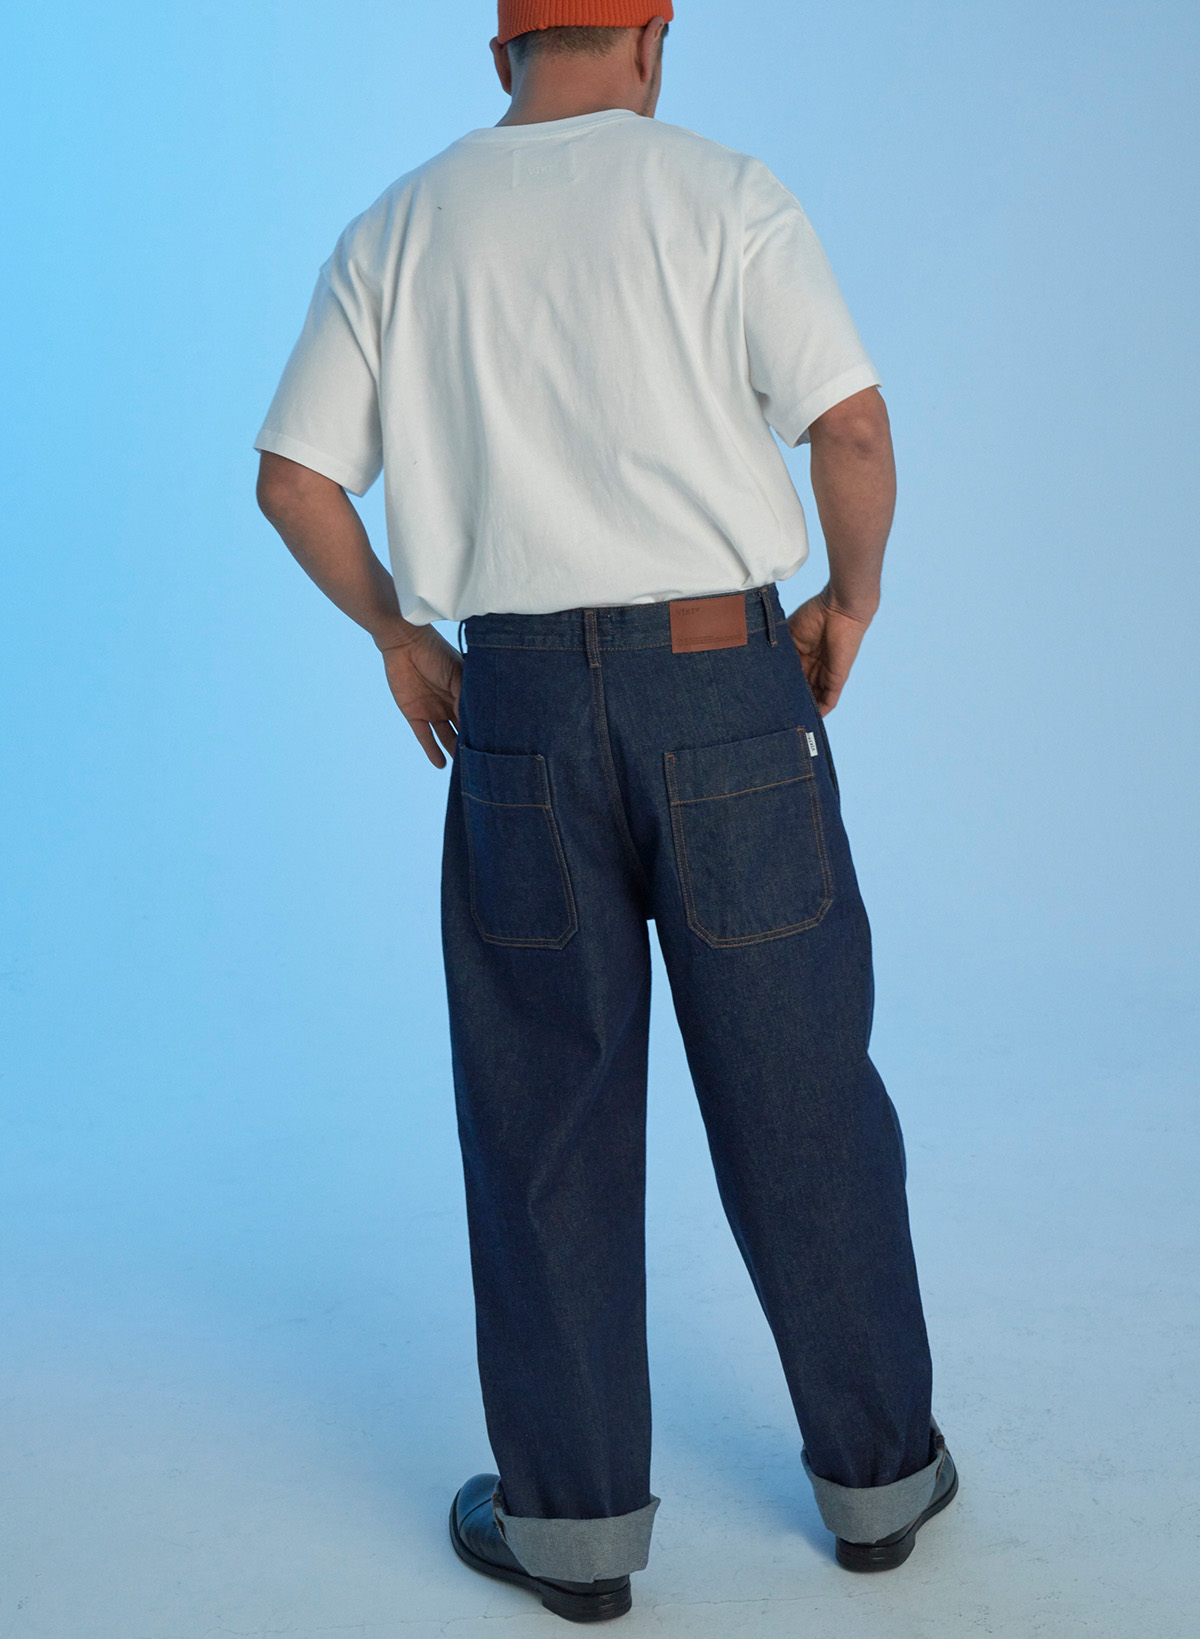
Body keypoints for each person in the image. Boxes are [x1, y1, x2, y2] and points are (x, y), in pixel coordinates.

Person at [253, 1, 958, 1624]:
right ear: (649, 36)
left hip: (516, 716)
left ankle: (573, 1540)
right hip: (725, 693)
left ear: (499, 51)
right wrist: (851, 600)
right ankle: (877, 1490)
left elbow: (293, 476)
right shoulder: (723, 193)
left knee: (545, 1116)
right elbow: (851, 429)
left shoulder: (401, 227)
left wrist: (398, 633)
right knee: (801, 1093)